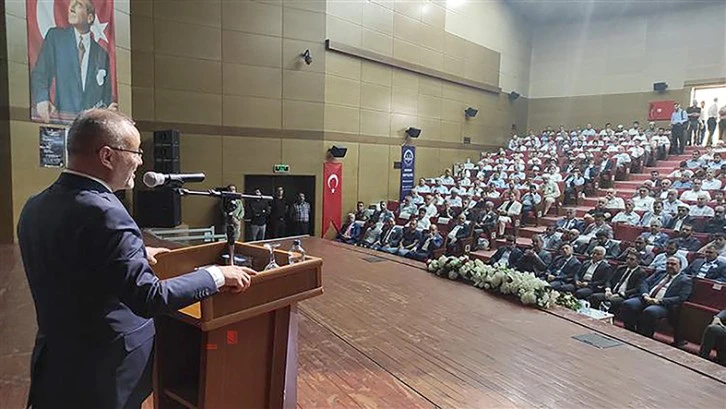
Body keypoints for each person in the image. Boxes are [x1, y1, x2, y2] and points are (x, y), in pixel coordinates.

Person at [16, 109, 256, 409]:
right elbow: (148, 298)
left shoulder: (36, 205)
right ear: (107, 156)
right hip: (104, 372)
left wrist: (136, 253)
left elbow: (70, 258)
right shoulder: (107, 213)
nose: (141, 162)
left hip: (56, 365)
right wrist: (217, 275)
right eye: (135, 152)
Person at [31, 0, 115, 123]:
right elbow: (41, 73)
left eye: (78, 5)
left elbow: (106, 94)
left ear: (90, 18)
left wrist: (109, 110)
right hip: (62, 120)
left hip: (90, 125)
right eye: (71, 4)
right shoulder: (56, 38)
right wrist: (42, 99)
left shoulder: (101, 54)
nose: (71, 8)